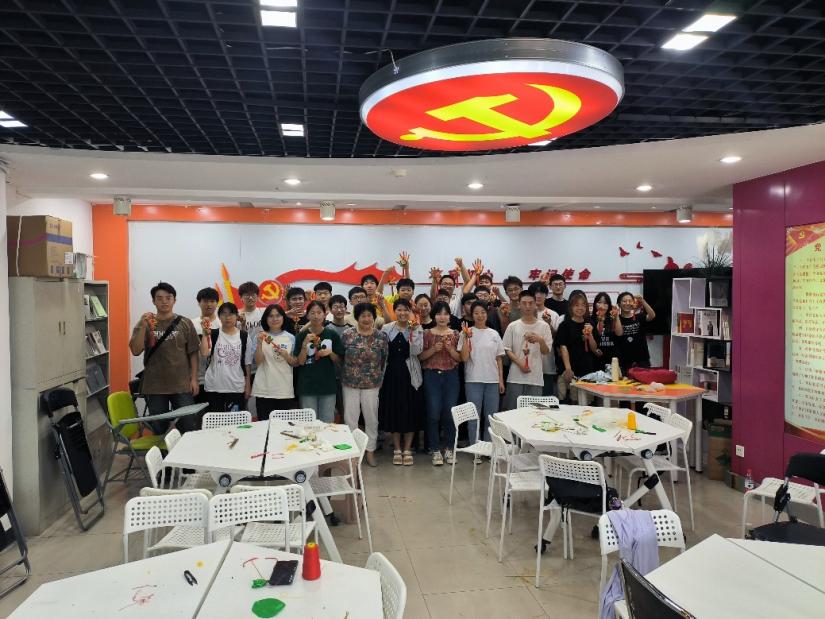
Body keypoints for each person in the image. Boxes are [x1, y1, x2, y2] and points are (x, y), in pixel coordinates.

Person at [129, 282, 200, 432]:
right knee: (159, 429)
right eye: (159, 298)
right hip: (155, 386)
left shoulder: (185, 323)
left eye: (168, 298)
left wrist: (194, 379)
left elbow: (193, 353)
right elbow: (135, 350)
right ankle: (162, 448)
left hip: (181, 384)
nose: (164, 301)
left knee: (188, 424)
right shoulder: (146, 323)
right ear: (153, 301)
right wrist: (142, 324)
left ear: (174, 300)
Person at [341, 303, 389, 467]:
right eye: (363, 316)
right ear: (357, 317)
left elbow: (384, 360)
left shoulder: (381, 337)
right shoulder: (347, 335)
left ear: (374, 317)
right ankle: (354, 453)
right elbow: (341, 358)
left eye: (369, 315)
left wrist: (379, 378)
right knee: (350, 418)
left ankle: (370, 451)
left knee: (371, 418)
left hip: (372, 384)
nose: (366, 319)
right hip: (350, 383)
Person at [379, 299, 424, 466]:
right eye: (399, 310)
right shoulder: (386, 328)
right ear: (395, 311)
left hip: (410, 376)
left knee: (410, 411)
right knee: (394, 411)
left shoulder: (417, 328)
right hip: (391, 375)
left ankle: (407, 449)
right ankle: (397, 448)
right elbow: (382, 352)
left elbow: (417, 351)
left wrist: (413, 332)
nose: (402, 313)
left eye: (406, 310)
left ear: (410, 312)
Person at [419, 301, 461, 466]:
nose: (442, 317)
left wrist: (450, 350)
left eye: (445, 314)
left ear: (449, 316)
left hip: (451, 376)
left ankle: (449, 448)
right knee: (433, 413)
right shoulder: (427, 333)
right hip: (432, 376)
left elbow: (460, 358)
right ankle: (435, 449)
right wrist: (433, 350)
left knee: (450, 414)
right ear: (434, 316)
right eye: (438, 314)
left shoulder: (456, 334)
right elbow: (420, 357)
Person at [459, 301, 505, 443]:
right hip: (473, 380)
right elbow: (464, 358)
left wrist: (501, 380)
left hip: (492, 381)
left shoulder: (494, 333)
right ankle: (475, 447)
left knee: (491, 416)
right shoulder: (466, 332)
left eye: (483, 312)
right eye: (476, 313)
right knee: (474, 417)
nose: (480, 316)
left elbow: (499, 359)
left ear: (487, 314)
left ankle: (488, 447)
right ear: (471, 315)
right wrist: (465, 337)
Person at [293, 301, 345, 422]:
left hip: (328, 385)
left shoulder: (332, 334)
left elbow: (339, 360)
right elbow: (300, 362)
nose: (316, 316)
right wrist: (304, 345)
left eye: (319, 312)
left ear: (324, 314)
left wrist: (330, 353)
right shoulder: (301, 336)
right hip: (307, 386)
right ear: (307, 316)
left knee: (327, 421)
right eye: (312, 313)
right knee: (309, 422)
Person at [501, 291, 553, 410]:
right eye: (524, 303)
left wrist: (540, 340)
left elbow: (546, 351)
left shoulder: (544, 326)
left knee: (533, 414)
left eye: (531, 303)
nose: (528, 306)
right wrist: (520, 364)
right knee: (512, 411)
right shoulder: (513, 326)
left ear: (535, 304)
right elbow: (507, 349)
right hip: (515, 377)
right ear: (519, 304)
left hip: (536, 378)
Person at [201, 302, 251, 413]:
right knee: (215, 421)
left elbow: (247, 363)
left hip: (236, 387)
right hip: (214, 387)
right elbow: (204, 353)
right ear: (219, 317)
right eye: (224, 314)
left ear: (237, 316)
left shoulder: (244, 336)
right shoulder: (213, 334)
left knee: (235, 421)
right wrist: (204, 333)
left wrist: (247, 386)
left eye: (231, 314)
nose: (227, 317)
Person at [251, 304, 297, 420]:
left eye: (278, 315)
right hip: (263, 389)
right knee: (264, 425)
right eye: (271, 316)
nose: (274, 319)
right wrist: (259, 343)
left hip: (284, 389)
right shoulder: (260, 336)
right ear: (266, 319)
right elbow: (258, 361)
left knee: (283, 427)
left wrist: (286, 355)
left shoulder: (290, 337)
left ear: (283, 317)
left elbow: (295, 363)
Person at [556, 291, 599, 402]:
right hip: (570, 368)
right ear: (571, 307)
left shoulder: (590, 324)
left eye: (583, 305)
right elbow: (563, 347)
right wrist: (568, 368)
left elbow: (594, 349)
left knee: (587, 402)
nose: (580, 308)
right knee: (571, 401)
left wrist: (590, 336)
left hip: (587, 368)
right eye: (576, 305)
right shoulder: (565, 325)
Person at [528, 281, 562, 397]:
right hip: (528, 364)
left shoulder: (553, 315)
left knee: (546, 399)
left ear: (546, 295)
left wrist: (549, 324)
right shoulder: (525, 314)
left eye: (541, 293)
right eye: (535, 293)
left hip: (546, 364)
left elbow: (557, 339)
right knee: (529, 400)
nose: (538, 296)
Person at [616, 291, 656, 374]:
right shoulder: (616, 319)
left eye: (630, 301)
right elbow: (618, 333)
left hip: (642, 359)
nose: (627, 303)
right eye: (624, 301)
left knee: (644, 381)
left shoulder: (639, 316)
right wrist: (616, 316)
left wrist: (642, 301)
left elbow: (652, 316)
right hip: (624, 360)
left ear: (633, 303)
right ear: (619, 304)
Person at [192, 287, 219, 407]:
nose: (209, 304)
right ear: (199, 303)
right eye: (205, 301)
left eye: (212, 301)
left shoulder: (223, 323)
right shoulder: (192, 324)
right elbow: (190, 352)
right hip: (199, 379)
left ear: (217, 303)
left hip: (219, 379)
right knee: (199, 414)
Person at [590, 292, 623, 370]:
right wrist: (600, 319)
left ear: (609, 305)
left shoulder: (613, 318)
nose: (602, 305)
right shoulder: (590, 319)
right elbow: (598, 333)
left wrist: (616, 316)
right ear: (595, 304)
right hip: (598, 357)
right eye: (599, 302)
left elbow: (619, 333)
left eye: (605, 303)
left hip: (613, 357)